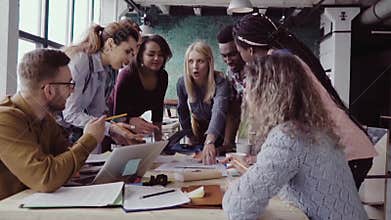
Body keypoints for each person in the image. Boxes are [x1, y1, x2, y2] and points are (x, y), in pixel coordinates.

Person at [232, 12, 377, 189]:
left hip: (347, 151)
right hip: (347, 149)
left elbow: (283, 119)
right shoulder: (286, 56)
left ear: (250, 50)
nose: (242, 59)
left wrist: (263, 158)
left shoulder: (278, 62)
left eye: (239, 52)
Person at [222, 52, 368, 220]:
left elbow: (238, 207)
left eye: (250, 89)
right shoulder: (311, 128)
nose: (246, 97)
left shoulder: (288, 137)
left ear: (267, 93)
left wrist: (234, 189)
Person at [0, 49, 105, 200]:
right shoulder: (4, 120)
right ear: (49, 90)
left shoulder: (46, 119)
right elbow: (46, 179)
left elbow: (67, 163)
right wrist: (90, 138)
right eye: (68, 84)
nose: (72, 90)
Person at [63, 21, 143, 152]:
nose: (129, 60)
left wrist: (115, 131)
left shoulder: (109, 69)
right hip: (58, 133)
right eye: (127, 51)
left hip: (78, 132)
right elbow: (70, 113)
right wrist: (110, 128)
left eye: (132, 54)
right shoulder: (81, 61)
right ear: (110, 44)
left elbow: (96, 112)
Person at [109, 34, 172, 140]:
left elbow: (158, 110)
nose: (156, 58)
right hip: (109, 123)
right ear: (140, 55)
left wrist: (159, 139)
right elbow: (117, 117)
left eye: (161, 55)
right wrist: (130, 121)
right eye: (151, 54)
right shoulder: (127, 75)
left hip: (131, 124)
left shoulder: (162, 76)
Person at [177, 41, 230, 165]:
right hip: (199, 133)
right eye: (191, 61)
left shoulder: (221, 82)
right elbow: (182, 111)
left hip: (222, 134)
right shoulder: (182, 83)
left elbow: (219, 111)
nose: (195, 66)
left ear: (209, 62)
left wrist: (210, 141)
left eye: (200, 61)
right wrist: (189, 135)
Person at [216, 25, 246, 151]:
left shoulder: (258, 71)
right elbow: (233, 110)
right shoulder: (230, 73)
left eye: (232, 54)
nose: (228, 60)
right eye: (224, 56)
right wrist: (227, 144)